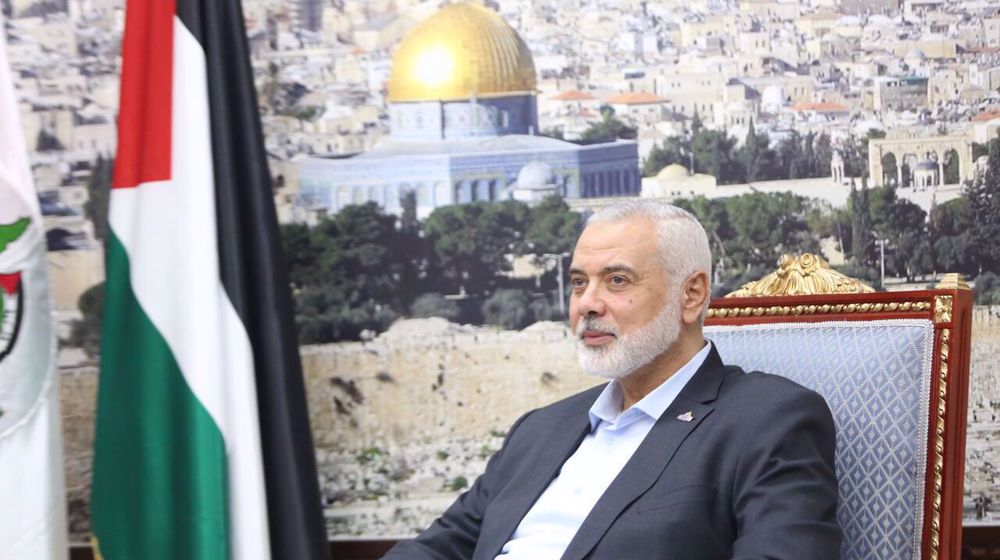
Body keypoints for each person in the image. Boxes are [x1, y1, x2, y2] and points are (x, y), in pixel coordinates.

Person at [384, 200, 841, 560]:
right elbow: (440, 547)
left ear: (692, 294)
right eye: (579, 282)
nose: (587, 303)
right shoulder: (540, 430)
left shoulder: (767, 419)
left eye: (617, 281)